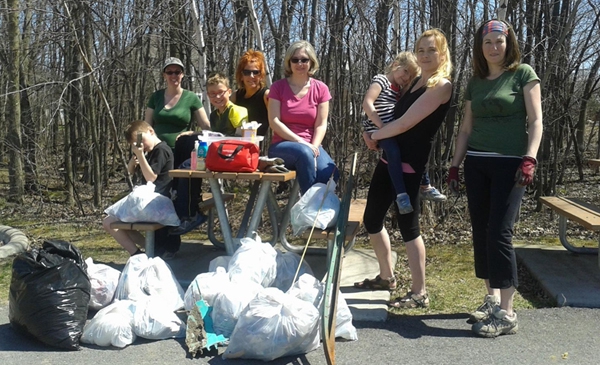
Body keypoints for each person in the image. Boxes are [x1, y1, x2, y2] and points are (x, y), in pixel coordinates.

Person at [447, 19, 543, 337]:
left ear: (508, 43)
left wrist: (529, 159)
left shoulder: (524, 74)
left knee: (500, 232)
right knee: (481, 230)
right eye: (488, 42)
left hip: (511, 164)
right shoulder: (476, 81)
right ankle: (491, 299)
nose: (493, 47)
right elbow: (465, 128)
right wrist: (455, 164)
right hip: (477, 163)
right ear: (481, 47)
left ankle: (508, 313)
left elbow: (536, 120)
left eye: (499, 41)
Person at [354, 29, 453, 310]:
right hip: (388, 162)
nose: (424, 55)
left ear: (442, 54)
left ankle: (420, 292)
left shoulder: (440, 85)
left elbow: (406, 123)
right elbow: (387, 112)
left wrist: (376, 135)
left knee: (409, 229)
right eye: (421, 50)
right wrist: (369, 130)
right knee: (372, 219)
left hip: (410, 168)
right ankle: (387, 277)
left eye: (431, 50)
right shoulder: (413, 82)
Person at [169, 72, 248, 236]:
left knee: (187, 167)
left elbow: (241, 139)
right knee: (186, 148)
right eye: (212, 94)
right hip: (218, 155)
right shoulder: (214, 115)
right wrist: (192, 133)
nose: (217, 97)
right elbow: (213, 135)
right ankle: (184, 205)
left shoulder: (237, 111)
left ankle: (190, 213)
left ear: (229, 92)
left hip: (232, 157)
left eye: (221, 92)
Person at [267, 40, 339, 194]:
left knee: (330, 172)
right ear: (289, 62)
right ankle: (309, 210)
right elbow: (274, 122)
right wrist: (301, 143)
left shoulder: (321, 89)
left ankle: (319, 209)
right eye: (295, 60)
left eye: (304, 60)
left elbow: (321, 124)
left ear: (311, 62)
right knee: (303, 154)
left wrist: (313, 146)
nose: (300, 64)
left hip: (312, 145)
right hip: (282, 146)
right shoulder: (277, 87)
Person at [103, 121, 181, 258]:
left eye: (142, 140)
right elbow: (128, 173)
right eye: (137, 144)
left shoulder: (161, 150)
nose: (142, 145)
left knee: (110, 221)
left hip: (160, 201)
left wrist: (140, 156)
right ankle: (150, 249)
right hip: (151, 202)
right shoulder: (148, 153)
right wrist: (134, 160)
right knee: (115, 221)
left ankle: (138, 254)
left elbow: (151, 177)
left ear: (151, 131)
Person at [144, 57, 210, 170]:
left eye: (177, 72)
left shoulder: (191, 98)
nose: (173, 75)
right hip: (157, 152)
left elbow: (207, 128)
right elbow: (146, 126)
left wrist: (191, 133)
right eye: (169, 72)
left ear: (182, 74)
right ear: (164, 75)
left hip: (182, 152)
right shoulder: (156, 97)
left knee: (180, 186)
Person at [231, 50, 270, 137]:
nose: (251, 76)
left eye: (256, 72)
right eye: (247, 72)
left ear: (261, 75)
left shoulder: (266, 95)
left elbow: (276, 123)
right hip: (237, 141)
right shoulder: (235, 96)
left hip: (259, 144)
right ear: (241, 76)